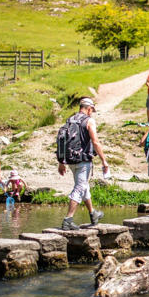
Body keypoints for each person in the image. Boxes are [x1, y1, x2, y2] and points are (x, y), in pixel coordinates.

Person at [57, 97, 109, 230]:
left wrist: (61, 162)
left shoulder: (70, 119)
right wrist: (104, 160)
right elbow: (95, 142)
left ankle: (93, 214)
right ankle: (68, 219)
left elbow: (62, 139)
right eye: (92, 110)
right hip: (83, 160)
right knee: (80, 188)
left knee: (84, 186)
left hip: (70, 160)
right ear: (89, 108)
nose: (91, 113)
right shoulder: (89, 121)